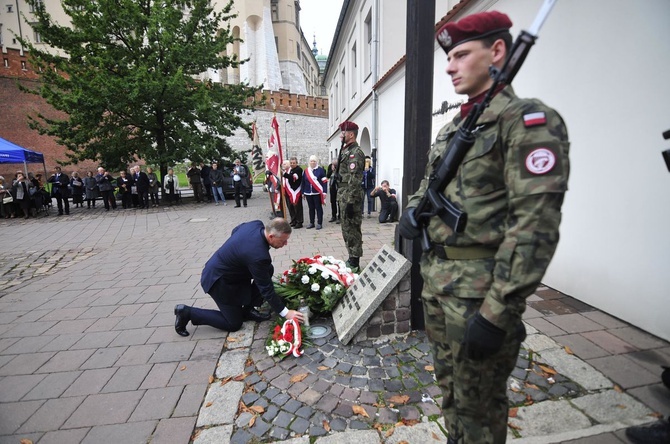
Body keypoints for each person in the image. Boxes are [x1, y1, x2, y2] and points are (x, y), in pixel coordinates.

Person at [398, 12, 570, 444]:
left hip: (481, 295)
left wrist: (498, 311)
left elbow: (536, 226)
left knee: (480, 408)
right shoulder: (454, 128)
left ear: (497, 52)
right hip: (439, 286)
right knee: (453, 396)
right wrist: (414, 209)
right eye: (448, 57)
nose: (450, 66)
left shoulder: (526, 122)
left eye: (460, 55)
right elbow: (428, 185)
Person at [173, 218, 304, 335]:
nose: (285, 244)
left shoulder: (256, 224)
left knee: (267, 269)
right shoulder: (258, 256)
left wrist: (238, 254)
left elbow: (236, 230)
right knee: (234, 324)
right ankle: (187, 312)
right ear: (271, 236)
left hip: (231, 273)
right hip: (218, 281)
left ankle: (248, 310)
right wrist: (286, 313)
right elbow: (266, 288)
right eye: (283, 241)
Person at [336, 121, 365, 269]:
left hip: (350, 196)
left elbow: (355, 179)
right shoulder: (346, 150)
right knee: (346, 228)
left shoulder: (355, 152)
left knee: (352, 229)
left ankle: (355, 261)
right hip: (344, 194)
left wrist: (350, 202)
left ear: (351, 134)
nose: (342, 135)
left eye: (344, 133)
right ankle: (351, 256)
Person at [302, 155, 328, 230]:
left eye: (314, 161)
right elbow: (303, 182)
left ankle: (319, 223)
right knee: (311, 208)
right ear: (309, 162)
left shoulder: (320, 170)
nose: (312, 162)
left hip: (317, 193)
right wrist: (303, 192)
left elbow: (324, 182)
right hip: (308, 193)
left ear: (316, 162)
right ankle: (311, 222)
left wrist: (324, 192)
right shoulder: (306, 171)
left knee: (318, 208)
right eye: (311, 161)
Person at [283, 157, 303, 228]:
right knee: (290, 207)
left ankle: (299, 222)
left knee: (297, 207)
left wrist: (284, 174)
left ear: (296, 163)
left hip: (296, 191)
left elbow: (293, 178)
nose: (292, 164)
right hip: (289, 191)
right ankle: (293, 220)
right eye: (291, 163)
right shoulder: (290, 170)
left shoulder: (298, 169)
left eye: (293, 163)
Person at [326, 159, 340, 223]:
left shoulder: (340, 166)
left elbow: (340, 176)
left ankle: (340, 216)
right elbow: (327, 176)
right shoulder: (330, 166)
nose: (334, 165)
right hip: (332, 186)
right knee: (333, 201)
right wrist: (331, 170)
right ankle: (333, 215)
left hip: (339, 186)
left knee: (339, 202)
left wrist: (336, 170)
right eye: (333, 164)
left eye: (335, 164)